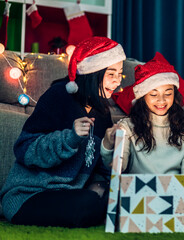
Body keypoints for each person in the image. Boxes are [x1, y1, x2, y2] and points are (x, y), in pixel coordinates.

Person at [0, 36, 126, 228]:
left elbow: (100, 166)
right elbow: (24, 149)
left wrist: (110, 147)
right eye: (111, 74)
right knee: (88, 204)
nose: (117, 81)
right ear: (92, 72)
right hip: (29, 195)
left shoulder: (102, 111)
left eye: (120, 74)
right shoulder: (58, 96)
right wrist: (70, 138)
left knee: (121, 196)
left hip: (70, 193)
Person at [101, 52, 184, 175]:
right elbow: (118, 168)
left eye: (168, 94)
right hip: (136, 191)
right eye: (153, 94)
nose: (161, 100)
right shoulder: (127, 127)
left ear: (175, 95)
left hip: (175, 191)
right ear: (142, 96)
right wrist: (108, 145)